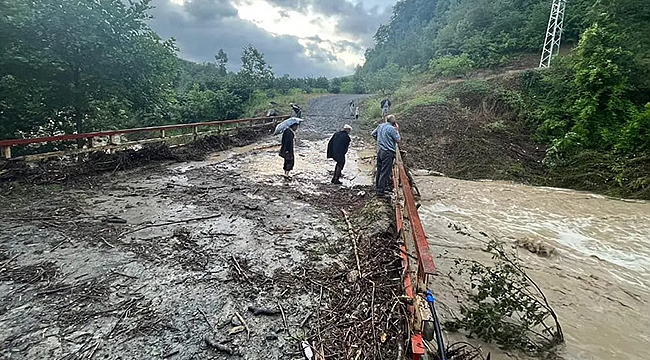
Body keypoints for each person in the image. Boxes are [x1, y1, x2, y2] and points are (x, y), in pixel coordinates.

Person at [371, 115, 401, 198]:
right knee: (385, 172)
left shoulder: (380, 126)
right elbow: (398, 139)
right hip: (388, 152)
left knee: (380, 171)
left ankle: (379, 188)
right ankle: (381, 192)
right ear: (393, 122)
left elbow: (373, 134)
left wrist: (379, 141)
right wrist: (397, 130)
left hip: (380, 151)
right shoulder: (391, 129)